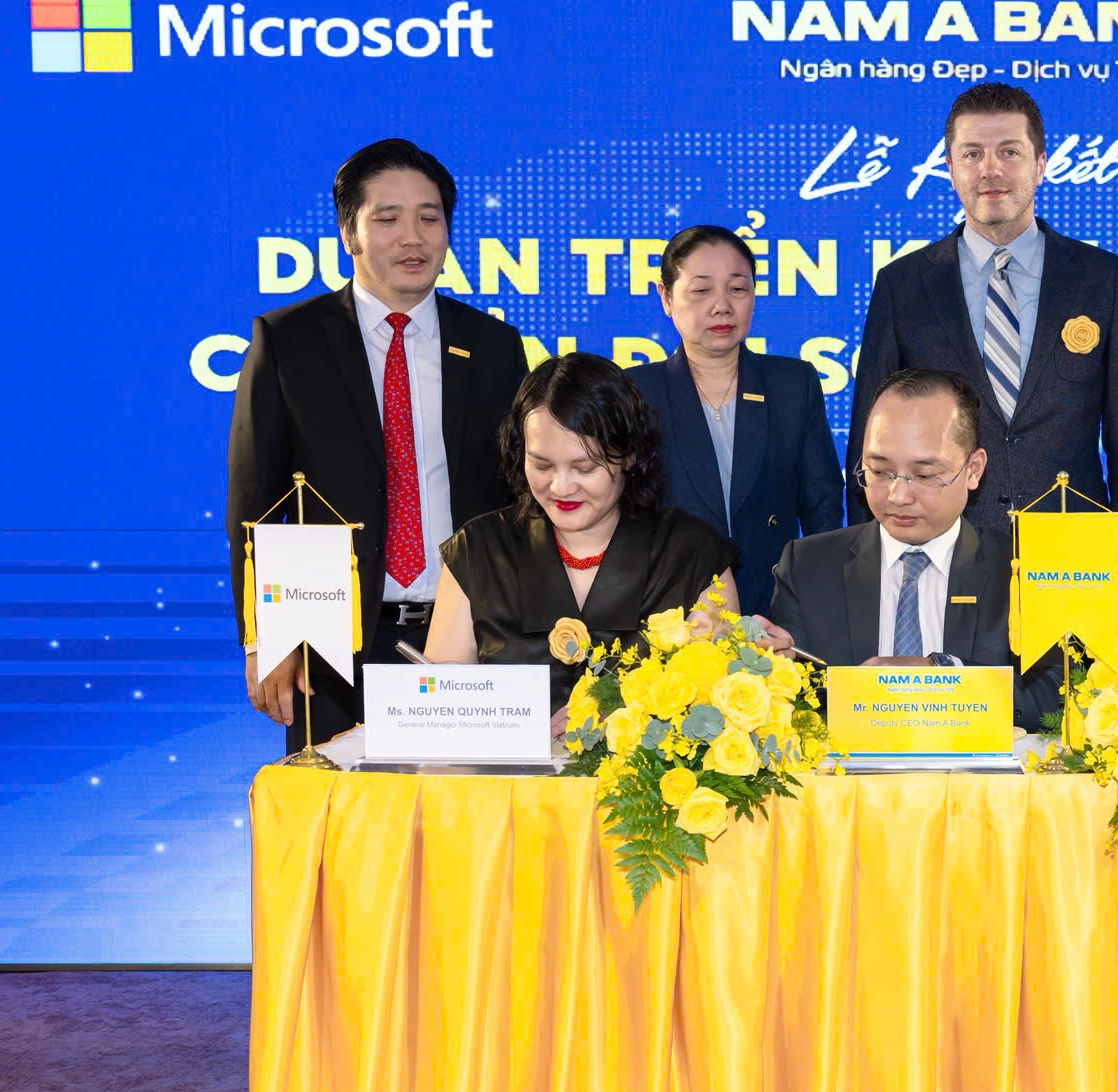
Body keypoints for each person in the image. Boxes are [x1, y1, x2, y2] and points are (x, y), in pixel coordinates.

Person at [226, 138, 529, 744]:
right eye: (387, 219)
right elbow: (256, 503)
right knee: (341, 805)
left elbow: (521, 495)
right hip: (331, 647)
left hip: (473, 638)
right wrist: (267, 638)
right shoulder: (289, 342)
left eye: (429, 218)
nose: (412, 238)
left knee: (466, 804)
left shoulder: (494, 346)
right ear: (349, 232)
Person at [845, 81, 1118, 596]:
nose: (990, 170)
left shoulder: (1102, 279)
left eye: (1009, 152)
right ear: (950, 167)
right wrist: (871, 575)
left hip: (1075, 561)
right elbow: (868, 442)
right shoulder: (904, 285)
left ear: (1041, 164)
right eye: (972, 154)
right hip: (941, 557)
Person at [424, 355, 740, 723]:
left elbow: (715, 714)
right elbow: (438, 716)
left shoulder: (693, 555)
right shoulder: (478, 550)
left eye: (584, 467)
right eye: (542, 465)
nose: (561, 487)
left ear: (630, 455)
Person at [770, 368, 1061, 729]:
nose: (898, 496)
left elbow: (1056, 696)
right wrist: (762, 668)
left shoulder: (1024, 568)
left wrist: (940, 675)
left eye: (924, 476)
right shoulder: (807, 567)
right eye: (879, 471)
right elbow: (794, 706)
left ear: (973, 470)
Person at [628, 224, 843, 616]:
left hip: (777, 613)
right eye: (701, 290)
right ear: (666, 297)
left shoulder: (792, 384)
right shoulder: (636, 392)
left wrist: (818, 607)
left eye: (737, 289)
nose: (721, 306)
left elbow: (822, 509)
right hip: (670, 614)